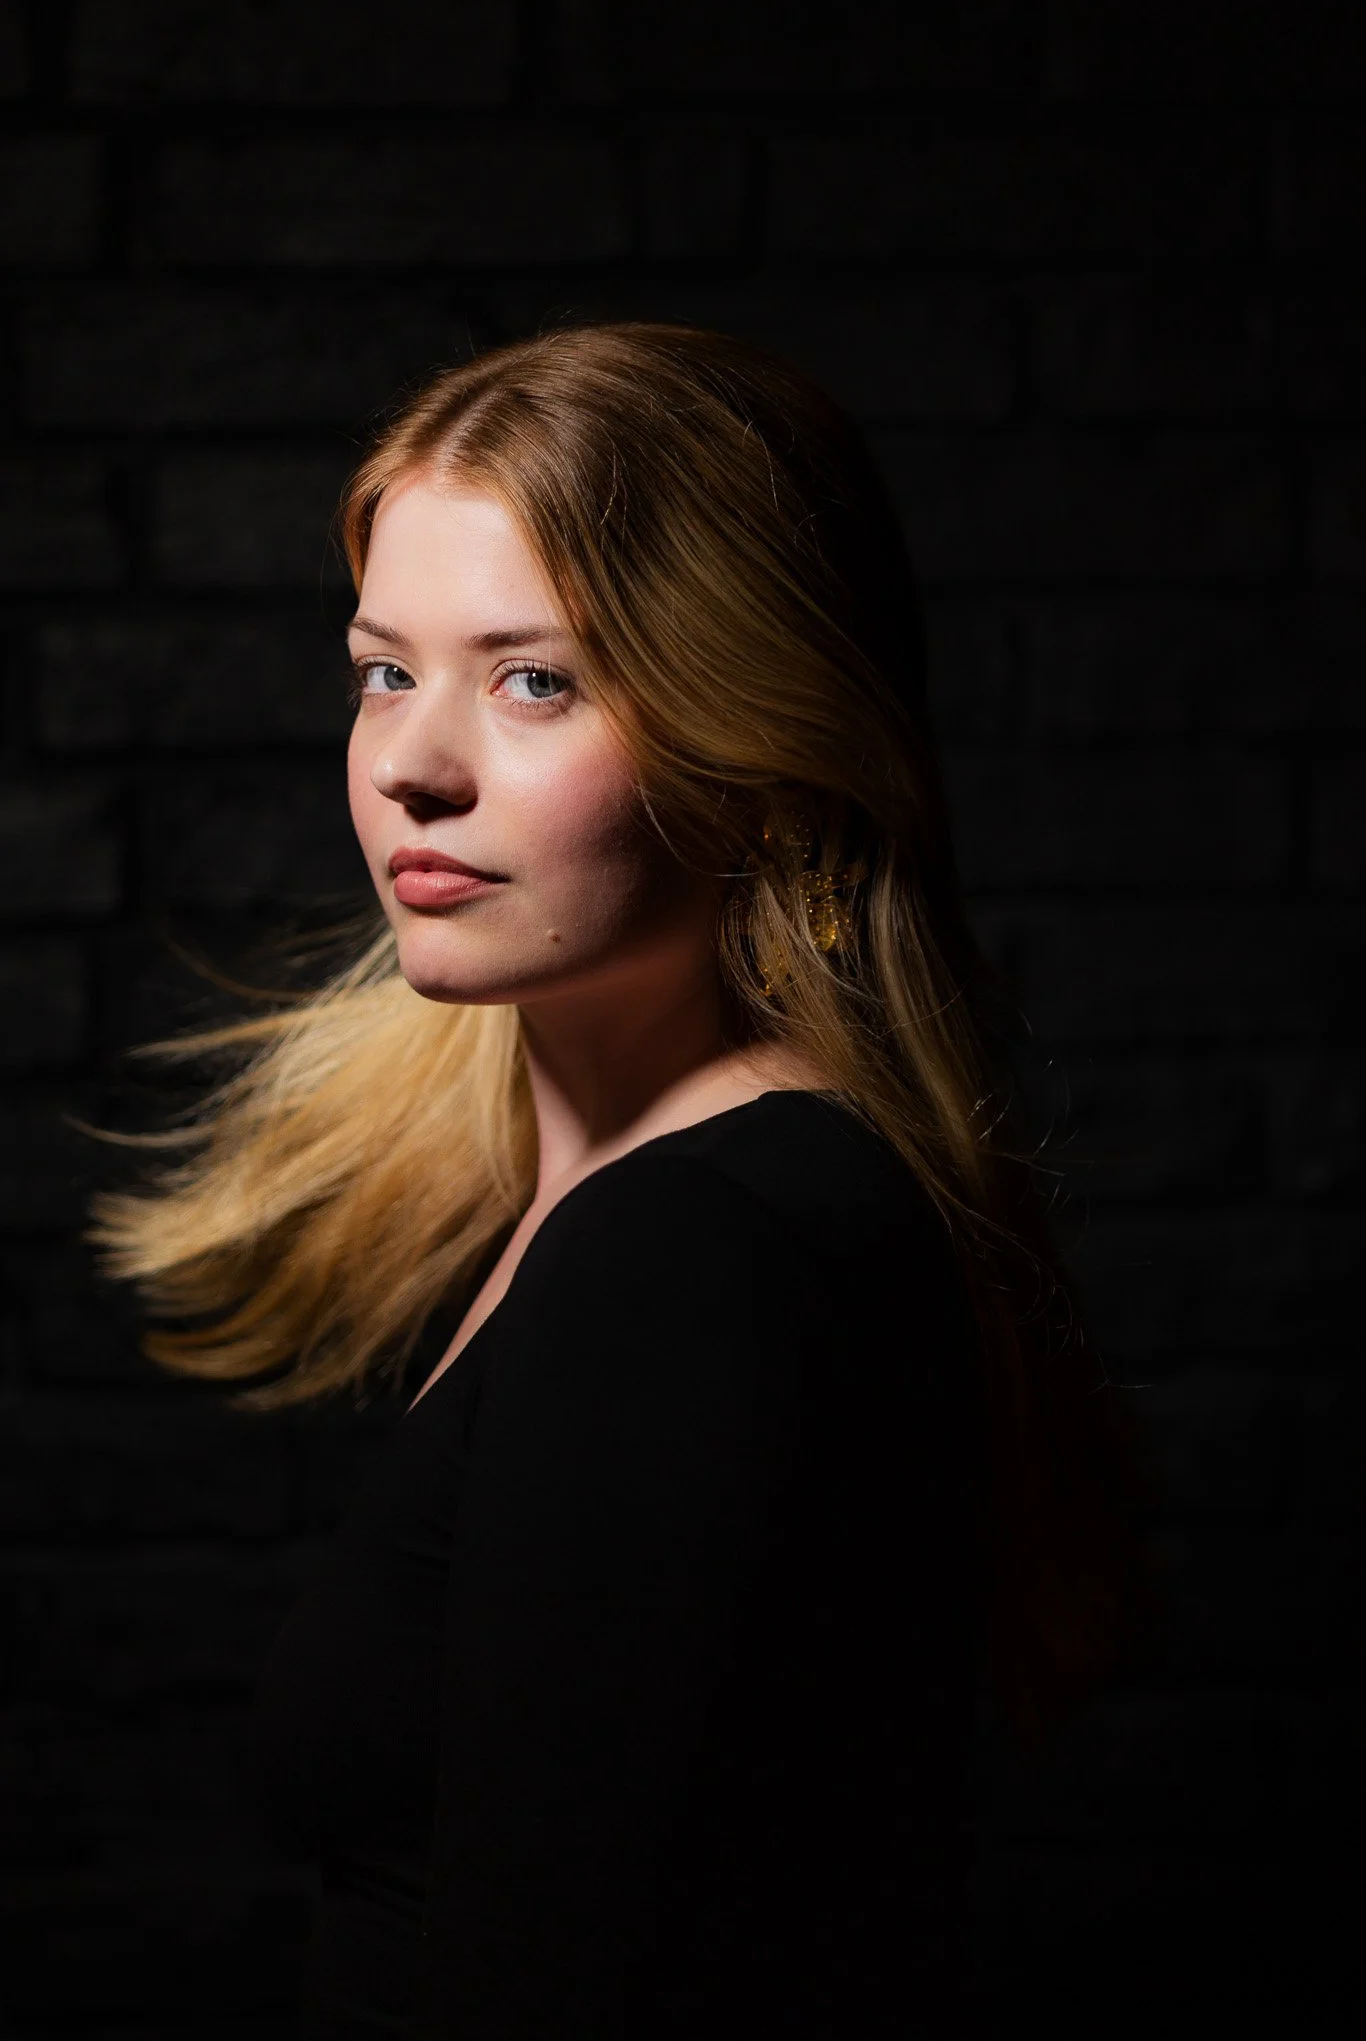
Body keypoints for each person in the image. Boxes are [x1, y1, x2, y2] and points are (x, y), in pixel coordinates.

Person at [92, 323, 1149, 2038]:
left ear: (760, 725)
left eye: (538, 680)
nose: (412, 765)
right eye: (382, 669)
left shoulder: (695, 1254)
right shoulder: (635, 1200)